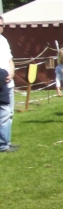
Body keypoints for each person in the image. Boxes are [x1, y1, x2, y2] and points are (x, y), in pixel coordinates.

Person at [0, 15, 17, 152]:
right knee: (4, 112)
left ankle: (7, 141)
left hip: (9, 82)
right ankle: (2, 145)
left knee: (10, 113)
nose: (0, 28)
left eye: (1, 25)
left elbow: (10, 60)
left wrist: (11, 73)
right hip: (1, 82)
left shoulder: (3, 40)